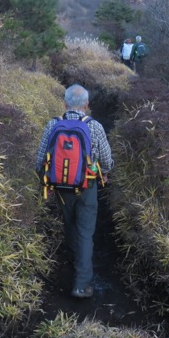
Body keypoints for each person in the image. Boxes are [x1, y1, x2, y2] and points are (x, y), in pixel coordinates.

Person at [35, 84, 114, 298]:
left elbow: (39, 160)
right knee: (85, 232)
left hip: (60, 188)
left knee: (69, 224)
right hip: (87, 187)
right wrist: (105, 173)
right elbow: (106, 160)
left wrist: (46, 184)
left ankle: (75, 258)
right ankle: (81, 285)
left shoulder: (53, 125)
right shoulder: (94, 126)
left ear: (65, 103)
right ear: (87, 105)